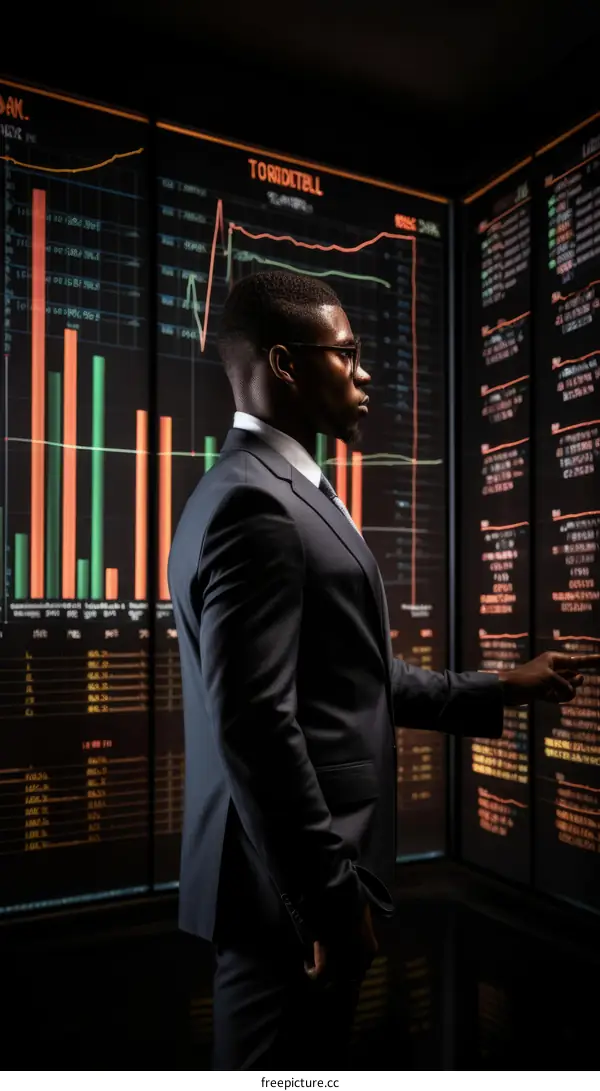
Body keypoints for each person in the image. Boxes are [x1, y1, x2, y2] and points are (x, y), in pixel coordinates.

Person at [168, 270, 599, 1071]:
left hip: (282, 892)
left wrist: (504, 685)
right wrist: (329, 901)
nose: (365, 373)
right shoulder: (256, 507)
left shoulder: (265, 490)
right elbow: (257, 725)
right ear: (287, 363)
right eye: (348, 353)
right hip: (287, 903)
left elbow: (350, 678)